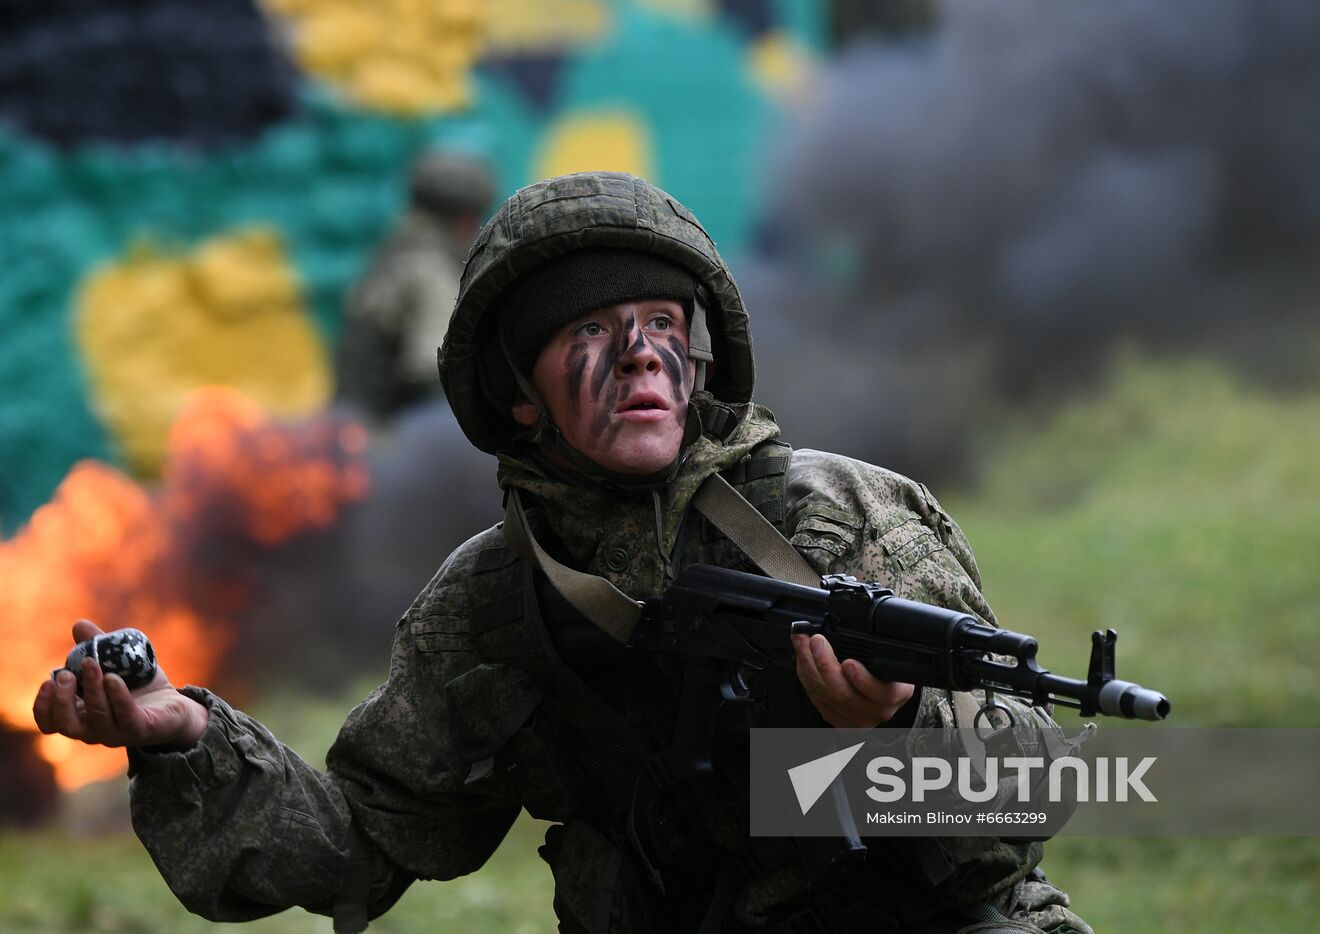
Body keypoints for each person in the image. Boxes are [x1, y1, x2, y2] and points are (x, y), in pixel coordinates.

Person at [33, 172, 1090, 934]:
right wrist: (183, 737)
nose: (636, 354)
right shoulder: (496, 602)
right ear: (516, 395)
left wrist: (897, 726)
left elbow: (1020, 813)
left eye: (659, 322)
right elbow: (359, 839)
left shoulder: (841, 519)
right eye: (587, 331)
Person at [336, 149, 495, 421]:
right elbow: (433, 373)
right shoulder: (427, 270)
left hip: (352, 427)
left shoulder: (391, 256)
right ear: (464, 221)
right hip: (385, 436)